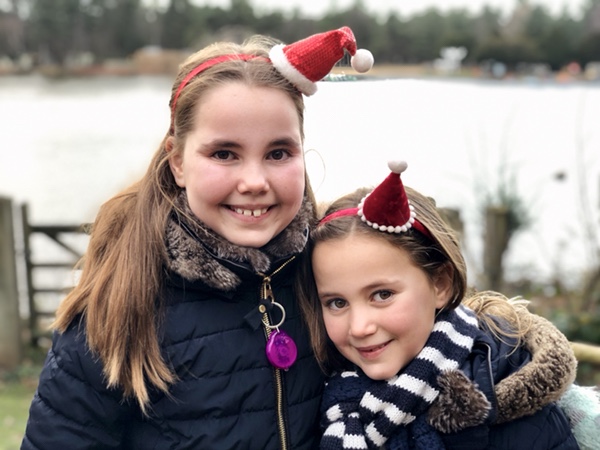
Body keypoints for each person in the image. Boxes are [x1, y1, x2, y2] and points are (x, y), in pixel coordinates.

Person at [20, 27, 374, 449]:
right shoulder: (116, 307)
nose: (254, 181)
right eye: (224, 154)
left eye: (278, 153)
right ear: (177, 161)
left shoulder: (330, 273)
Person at [296, 161, 580, 449]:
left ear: (441, 284)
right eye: (337, 302)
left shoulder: (515, 413)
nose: (359, 327)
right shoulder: (323, 400)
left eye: (382, 295)